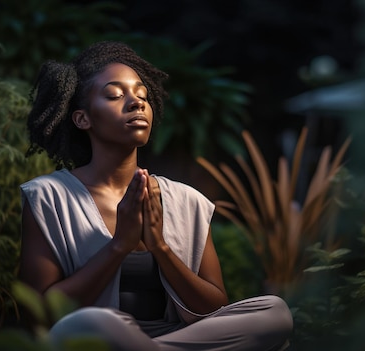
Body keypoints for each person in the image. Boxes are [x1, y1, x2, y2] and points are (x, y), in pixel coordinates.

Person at [18, 41, 293, 351]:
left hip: (178, 335)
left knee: (274, 312)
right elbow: (38, 314)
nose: (136, 103)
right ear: (83, 119)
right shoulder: (49, 197)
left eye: (142, 96)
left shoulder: (186, 200)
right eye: (115, 95)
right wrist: (119, 246)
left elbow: (213, 308)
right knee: (91, 323)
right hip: (102, 335)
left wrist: (160, 247)